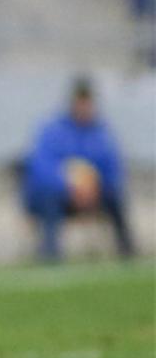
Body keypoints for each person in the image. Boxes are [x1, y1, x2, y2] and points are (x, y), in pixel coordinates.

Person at [22, 77, 134, 261]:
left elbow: (113, 168)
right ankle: (50, 254)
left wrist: (95, 188)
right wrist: (68, 187)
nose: (84, 108)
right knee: (50, 200)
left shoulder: (101, 133)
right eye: (80, 103)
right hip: (59, 194)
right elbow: (41, 167)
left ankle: (127, 252)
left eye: (87, 104)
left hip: (93, 194)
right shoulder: (52, 130)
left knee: (115, 198)